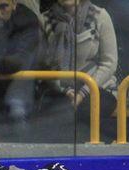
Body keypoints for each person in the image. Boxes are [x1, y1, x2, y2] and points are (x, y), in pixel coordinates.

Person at [40, 0, 119, 141]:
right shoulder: (44, 20)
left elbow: (109, 63)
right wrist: (64, 91)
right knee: (55, 115)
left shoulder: (100, 16)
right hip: (59, 89)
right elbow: (43, 65)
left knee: (85, 113)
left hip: (97, 87)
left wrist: (82, 93)